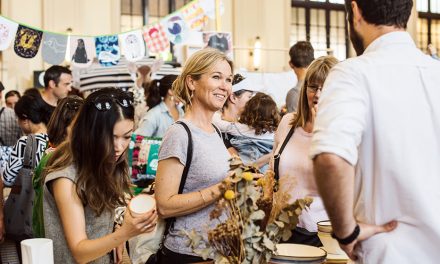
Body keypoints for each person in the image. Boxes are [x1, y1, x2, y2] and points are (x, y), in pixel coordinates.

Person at [311, 0, 440, 262]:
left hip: (389, 252)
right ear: (409, 11)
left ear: (355, 11)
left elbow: (331, 159)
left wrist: (346, 232)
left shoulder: (353, 73)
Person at [42, 88, 157, 263]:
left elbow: (96, 219)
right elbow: (79, 252)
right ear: (89, 132)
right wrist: (124, 233)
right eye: (110, 137)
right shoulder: (65, 178)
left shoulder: (103, 161)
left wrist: (114, 229)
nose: (119, 146)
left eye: (126, 137)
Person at [155, 48, 234, 263]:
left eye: (228, 79)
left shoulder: (216, 131)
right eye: (216, 77)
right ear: (192, 82)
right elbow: (164, 205)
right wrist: (222, 189)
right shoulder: (179, 133)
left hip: (218, 250)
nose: (224, 86)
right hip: (189, 253)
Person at [271, 56, 338, 246]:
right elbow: (273, 171)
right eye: (313, 87)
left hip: (323, 234)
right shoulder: (288, 123)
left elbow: (336, 183)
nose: (318, 94)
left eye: (325, 88)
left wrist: (321, 130)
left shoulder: (342, 132)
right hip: (282, 231)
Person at [0, 93, 51, 257]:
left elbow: (7, 178)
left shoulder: (25, 142)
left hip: (26, 218)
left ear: (25, 118)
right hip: (50, 219)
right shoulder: (57, 139)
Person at [32, 95, 84, 238]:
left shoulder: (51, 152)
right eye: (80, 125)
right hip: (58, 239)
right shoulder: (61, 160)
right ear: (64, 127)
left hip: (46, 234)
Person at [220, 92, 280, 171]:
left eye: (250, 97)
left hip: (247, 170)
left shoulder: (241, 129)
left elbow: (221, 125)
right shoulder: (275, 133)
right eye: (249, 96)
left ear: (249, 112)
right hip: (268, 171)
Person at [212, 73, 260, 155]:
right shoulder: (216, 128)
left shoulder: (243, 126)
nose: (253, 102)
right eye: (249, 97)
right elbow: (239, 165)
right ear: (233, 98)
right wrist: (270, 156)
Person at [285, 41, 314, 113]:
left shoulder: (294, 93)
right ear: (313, 61)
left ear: (291, 64)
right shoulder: (321, 88)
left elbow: (293, 123)